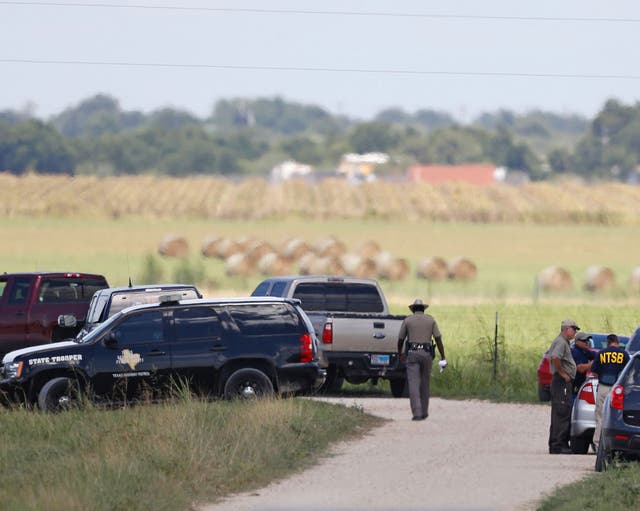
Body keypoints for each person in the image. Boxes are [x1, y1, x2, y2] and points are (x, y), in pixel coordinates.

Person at [397, 298, 446, 421]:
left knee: (413, 384)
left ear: (413, 309)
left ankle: (417, 413)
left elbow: (400, 339)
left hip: (412, 354)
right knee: (425, 383)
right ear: (423, 309)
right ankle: (424, 411)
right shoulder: (430, 320)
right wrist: (443, 356)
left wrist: (400, 353)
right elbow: (438, 339)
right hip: (427, 354)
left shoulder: (408, 320)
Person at [591, 333, 629, 451]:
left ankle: (598, 444)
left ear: (607, 342)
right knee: (616, 417)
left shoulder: (601, 353)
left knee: (600, 416)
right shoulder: (623, 354)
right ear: (617, 342)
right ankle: (614, 445)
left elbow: (594, 372)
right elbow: (628, 372)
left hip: (603, 387)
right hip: (617, 389)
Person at [547, 318, 579, 454]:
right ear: (567, 329)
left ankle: (556, 443)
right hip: (561, 382)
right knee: (562, 411)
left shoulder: (563, 342)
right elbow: (555, 357)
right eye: (574, 329)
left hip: (560, 382)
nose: (575, 332)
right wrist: (563, 373)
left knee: (559, 411)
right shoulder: (561, 342)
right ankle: (558, 445)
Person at [571, 331, 595, 399]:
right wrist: (592, 363)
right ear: (577, 341)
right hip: (573, 384)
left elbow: (597, 355)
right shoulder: (575, 351)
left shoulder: (584, 351)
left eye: (588, 340)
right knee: (573, 404)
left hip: (580, 382)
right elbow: (580, 369)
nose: (587, 342)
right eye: (584, 341)